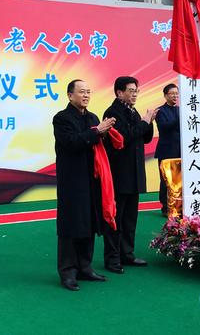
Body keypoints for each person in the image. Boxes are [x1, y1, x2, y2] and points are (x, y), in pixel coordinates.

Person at [53, 79, 116, 291]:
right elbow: (71, 142)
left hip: (92, 178)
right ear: (70, 95)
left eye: (88, 92)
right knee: (71, 223)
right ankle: (68, 271)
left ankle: (85, 267)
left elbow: (96, 143)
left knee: (89, 222)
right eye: (82, 92)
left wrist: (103, 133)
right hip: (72, 180)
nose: (86, 95)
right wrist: (97, 132)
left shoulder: (92, 118)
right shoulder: (61, 118)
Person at [102, 76, 155, 274]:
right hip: (120, 174)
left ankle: (127, 254)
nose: (134, 94)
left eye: (136, 91)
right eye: (131, 91)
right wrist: (144, 121)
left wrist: (149, 122)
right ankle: (112, 258)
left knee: (130, 218)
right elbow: (125, 137)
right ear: (119, 92)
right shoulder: (112, 112)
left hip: (134, 174)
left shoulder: (133, 111)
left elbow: (145, 137)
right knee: (116, 218)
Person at [154, 83, 180, 216]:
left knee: (179, 180)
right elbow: (163, 127)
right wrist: (179, 119)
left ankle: (178, 206)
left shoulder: (180, 109)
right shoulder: (160, 111)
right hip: (166, 151)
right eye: (172, 93)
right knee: (166, 180)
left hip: (180, 150)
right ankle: (165, 207)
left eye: (176, 93)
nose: (175, 96)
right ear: (165, 95)